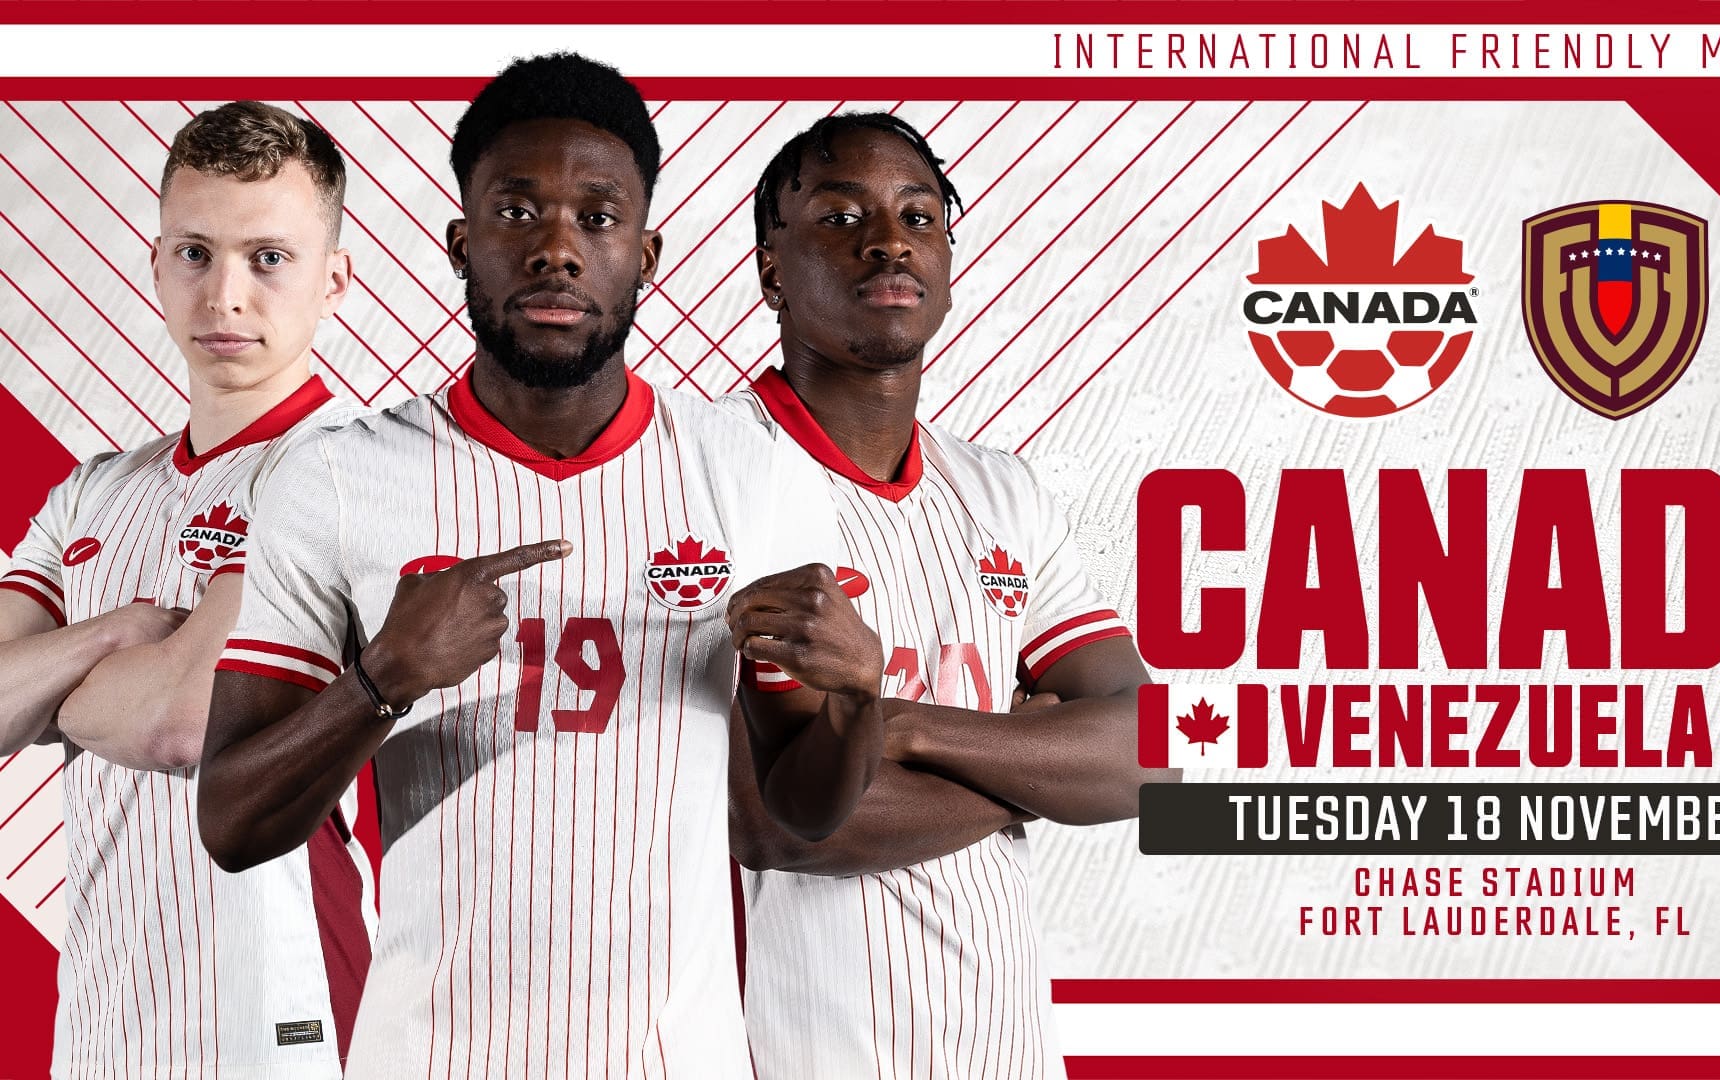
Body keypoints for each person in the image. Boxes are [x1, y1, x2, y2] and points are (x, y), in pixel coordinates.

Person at [195, 54, 884, 1078]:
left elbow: (798, 815)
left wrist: (859, 696)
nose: (557, 250)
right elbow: (234, 824)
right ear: (462, 244)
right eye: (518, 214)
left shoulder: (749, 468)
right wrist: (383, 680)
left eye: (597, 219)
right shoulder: (334, 478)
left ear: (646, 252)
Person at [725, 112, 1175, 1079]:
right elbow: (785, 822)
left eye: (917, 215)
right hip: (795, 1052)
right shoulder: (704, 480)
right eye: (841, 216)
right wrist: (1027, 771)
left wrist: (901, 727)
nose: (887, 239)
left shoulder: (1001, 493)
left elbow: (1159, 754)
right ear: (770, 273)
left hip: (1006, 1049)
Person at [0, 101, 372, 1076]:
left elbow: (183, 719)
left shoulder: (351, 478)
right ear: (155, 265)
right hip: (101, 1029)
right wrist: (116, 633)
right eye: (197, 253)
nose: (226, 298)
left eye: (269, 258)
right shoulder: (92, 492)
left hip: (282, 1025)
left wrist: (47, 687)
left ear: (335, 279)